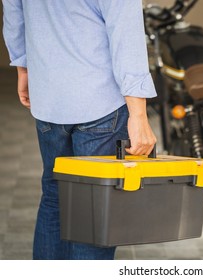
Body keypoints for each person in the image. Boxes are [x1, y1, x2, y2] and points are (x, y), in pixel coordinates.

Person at [2, 0, 157, 259]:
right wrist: (139, 114)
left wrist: (23, 67)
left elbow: (14, 12)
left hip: (49, 98)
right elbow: (126, 36)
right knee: (96, 205)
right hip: (100, 101)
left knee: (55, 195)